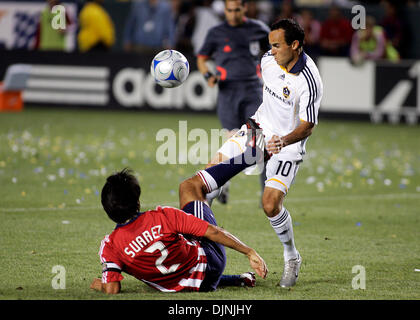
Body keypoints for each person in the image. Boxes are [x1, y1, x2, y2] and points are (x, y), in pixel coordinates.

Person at [203, 18, 323, 288]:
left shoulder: (309, 81)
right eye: (270, 45)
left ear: (295, 45)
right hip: (257, 130)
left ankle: (291, 256)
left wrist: (283, 141)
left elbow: (307, 127)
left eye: (277, 45)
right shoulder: (269, 60)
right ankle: (201, 245)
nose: (271, 51)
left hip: (288, 145)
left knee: (270, 205)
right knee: (208, 177)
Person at [90, 139, 268, 294]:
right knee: (190, 187)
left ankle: (234, 279)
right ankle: (252, 155)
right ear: (137, 202)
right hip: (210, 265)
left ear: (107, 210)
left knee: (174, 257)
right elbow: (213, 233)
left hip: (181, 285)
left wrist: (100, 286)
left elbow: (112, 289)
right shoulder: (162, 216)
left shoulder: (111, 246)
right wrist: (249, 251)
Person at [196, 0, 270, 204]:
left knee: (258, 142)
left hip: (253, 91)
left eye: (237, 9)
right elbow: (202, 58)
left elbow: (273, 54)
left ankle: (267, 193)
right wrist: (207, 76)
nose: (234, 14)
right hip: (227, 92)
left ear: (245, 8)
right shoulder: (216, 32)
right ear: (225, 10)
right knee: (232, 140)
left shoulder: (259, 30)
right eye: (230, 10)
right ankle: (222, 181)